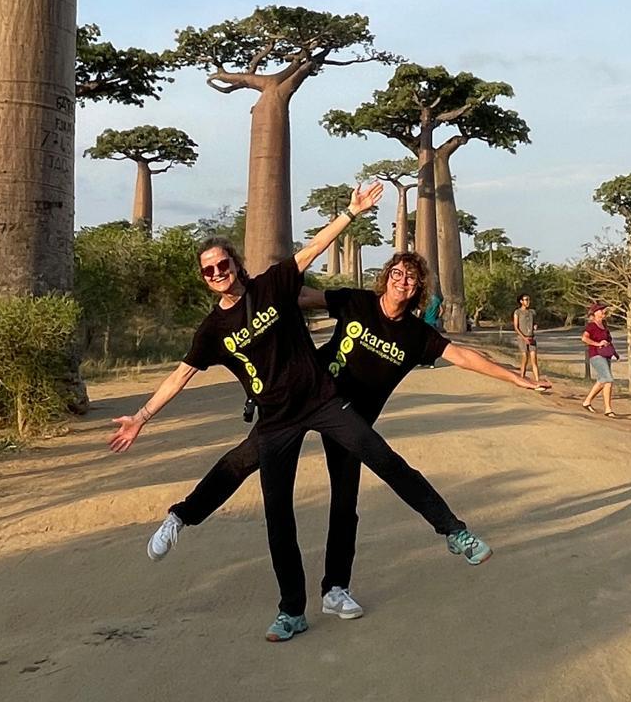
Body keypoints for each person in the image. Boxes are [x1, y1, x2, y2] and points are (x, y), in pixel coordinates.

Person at [108, 185, 493, 645]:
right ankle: (290, 609)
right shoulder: (212, 329)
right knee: (277, 514)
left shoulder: (272, 286)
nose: (217, 273)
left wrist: (350, 213)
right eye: (209, 270)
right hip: (276, 419)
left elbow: (311, 250)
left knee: (384, 459)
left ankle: (453, 532)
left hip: (321, 400)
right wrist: (142, 416)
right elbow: (181, 375)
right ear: (204, 278)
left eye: (223, 265)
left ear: (236, 265)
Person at [142, 250, 550, 620]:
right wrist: (261, 302)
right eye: (396, 273)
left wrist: (517, 378)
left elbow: (461, 355)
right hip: (307, 396)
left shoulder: (416, 335)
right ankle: (183, 518)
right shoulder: (357, 302)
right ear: (385, 277)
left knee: (351, 496)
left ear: (418, 288)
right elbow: (306, 296)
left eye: (410, 277)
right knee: (242, 463)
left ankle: (339, 587)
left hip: (345, 417)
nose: (402, 280)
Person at [581, 300, 618, 417]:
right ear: (595, 313)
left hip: (606, 355)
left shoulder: (604, 326)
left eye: (603, 310)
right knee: (608, 379)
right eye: (601, 310)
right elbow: (584, 338)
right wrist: (597, 344)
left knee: (602, 380)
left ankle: (587, 402)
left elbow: (608, 340)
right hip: (596, 355)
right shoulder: (591, 326)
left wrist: (613, 351)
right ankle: (608, 409)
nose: (603, 312)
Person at [512, 293, 540, 384]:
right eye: (526, 300)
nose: (528, 302)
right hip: (522, 338)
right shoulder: (517, 312)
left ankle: (537, 380)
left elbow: (534, 322)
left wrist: (535, 325)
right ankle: (522, 378)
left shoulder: (532, 312)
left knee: (534, 360)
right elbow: (516, 327)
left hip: (531, 337)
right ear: (521, 301)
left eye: (528, 300)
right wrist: (523, 338)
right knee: (525, 358)